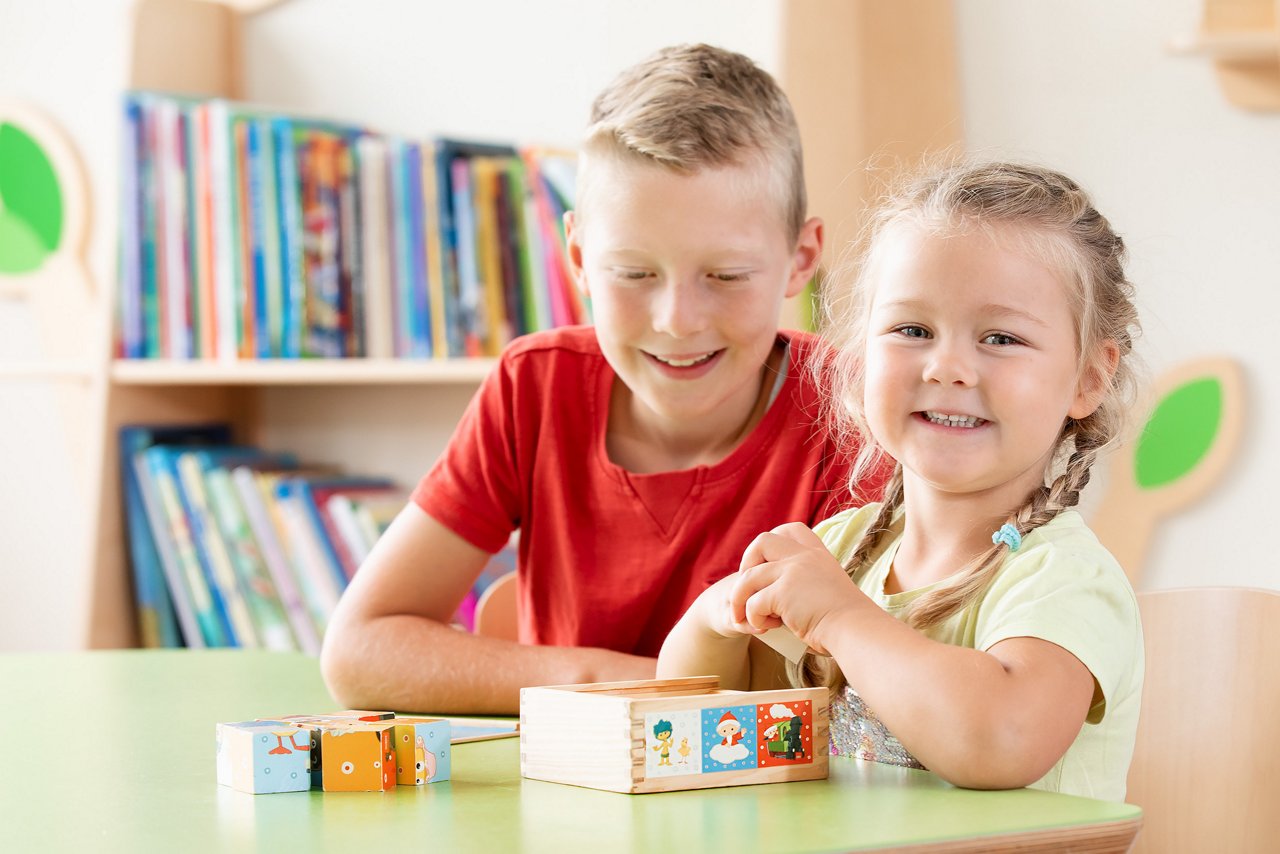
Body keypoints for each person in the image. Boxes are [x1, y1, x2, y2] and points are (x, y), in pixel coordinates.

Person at [321, 44, 883, 714]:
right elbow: (360, 650)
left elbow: (856, 700)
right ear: (580, 259)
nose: (677, 321)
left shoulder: (853, 413)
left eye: (726, 275)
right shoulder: (535, 386)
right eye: (635, 274)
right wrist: (620, 686)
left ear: (801, 259)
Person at [657, 161, 1145, 802]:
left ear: (1088, 377)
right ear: (860, 361)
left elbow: (999, 739)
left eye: (1000, 338)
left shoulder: (1064, 578)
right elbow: (715, 722)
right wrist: (717, 617)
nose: (948, 367)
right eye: (912, 330)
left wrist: (840, 615)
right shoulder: (840, 552)